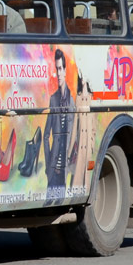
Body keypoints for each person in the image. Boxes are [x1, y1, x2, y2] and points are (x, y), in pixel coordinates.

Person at [44, 48, 76, 195]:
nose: (58, 73)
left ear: (65, 70)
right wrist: (48, 163)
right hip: (53, 172)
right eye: (56, 69)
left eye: (61, 68)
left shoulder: (72, 102)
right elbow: (45, 136)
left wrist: (71, 166)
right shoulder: (53, 99)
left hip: (65, 172)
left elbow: (75, 136)